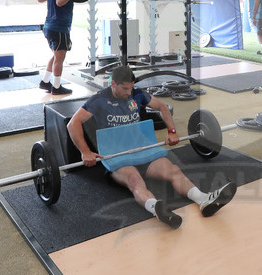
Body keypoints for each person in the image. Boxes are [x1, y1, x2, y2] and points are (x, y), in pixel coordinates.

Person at [66, 65, 237, 229]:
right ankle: (157, 208)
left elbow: (162, 107)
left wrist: (172, 131)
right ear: (113, 84)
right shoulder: (100, 99)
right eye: (125, 89)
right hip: (116, 155)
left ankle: (203, 200)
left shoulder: (137, 94)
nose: (129, 93)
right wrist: (85, 152)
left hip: (143, 149)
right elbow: (73, 123)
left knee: (174, 171)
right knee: (135, 180)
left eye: (131, 88)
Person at [38, 0, 74, 95]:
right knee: (60, 58)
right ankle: (57, 87)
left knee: (56, 56)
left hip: (49, 27)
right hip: (59, 29)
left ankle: (45, 81)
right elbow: (59, 2)